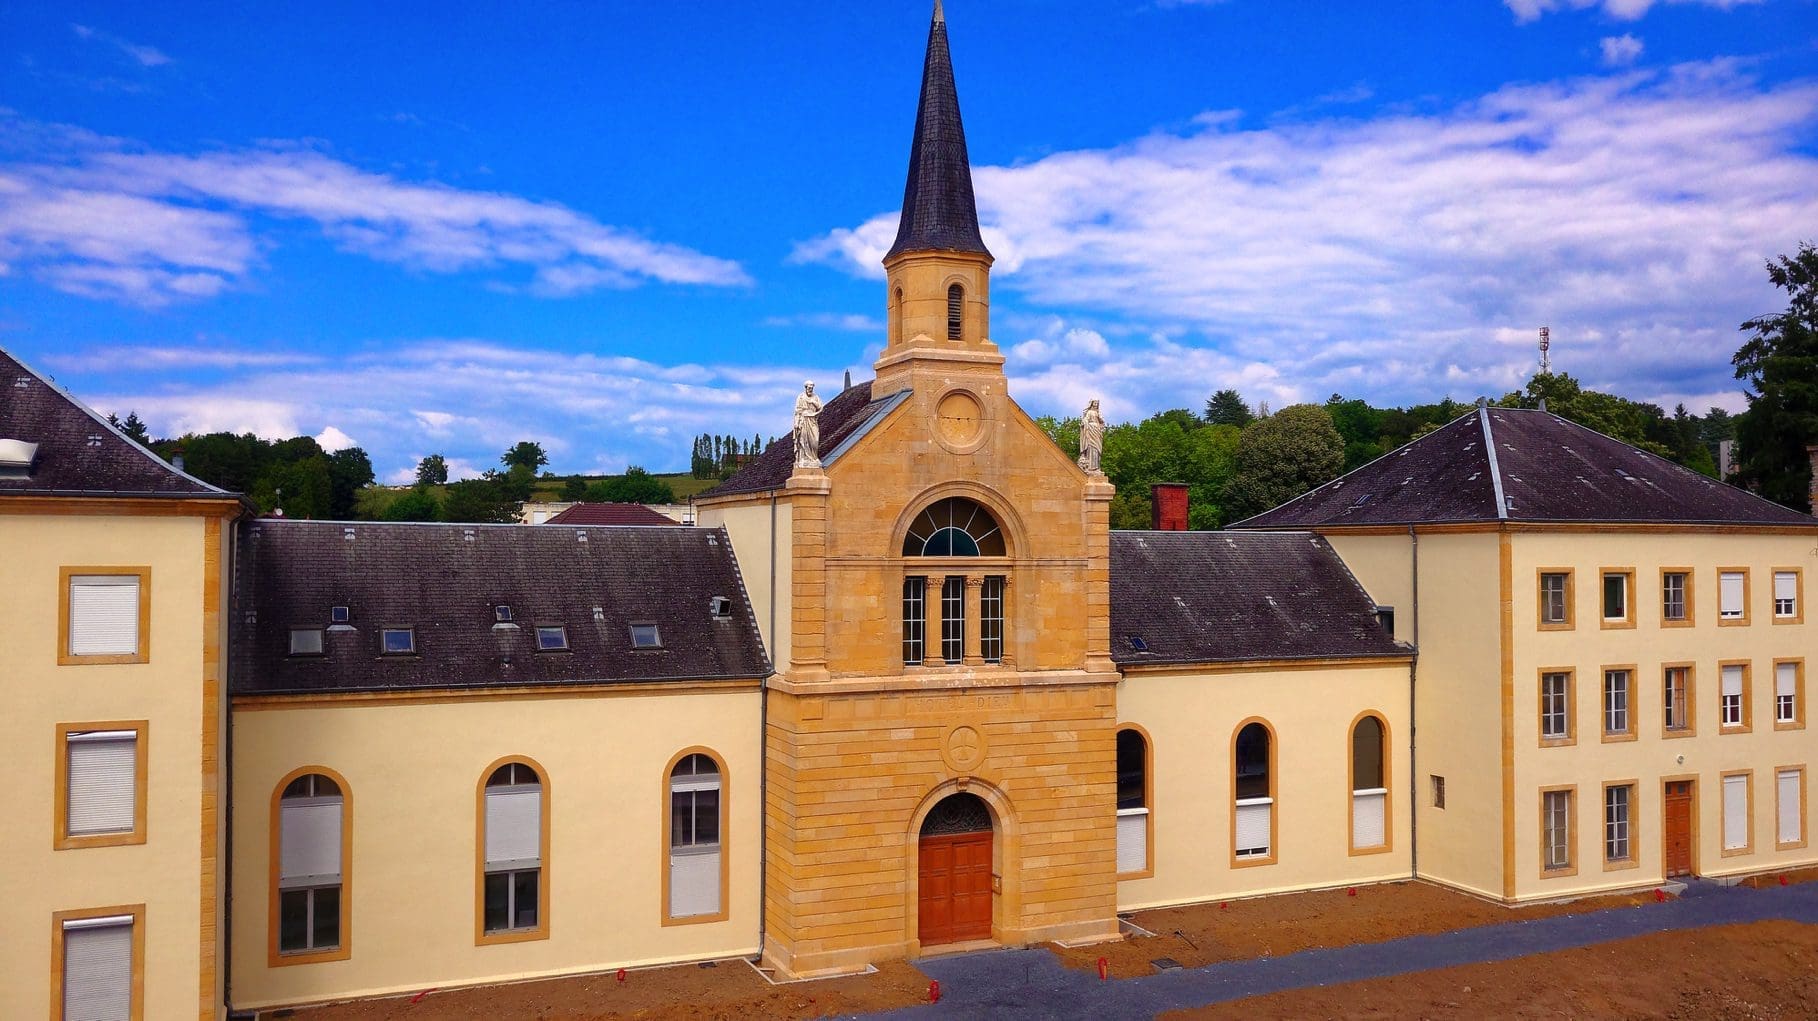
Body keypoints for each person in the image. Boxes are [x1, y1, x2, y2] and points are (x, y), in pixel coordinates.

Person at [794, 380, 824, 468]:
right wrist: (797, 422)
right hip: (803, 420)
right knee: (803, 440)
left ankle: (814, 458)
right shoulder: (801, 397)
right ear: (806, 388)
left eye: (812, 388)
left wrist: (813, 402)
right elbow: (797, 411)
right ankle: (803, 459)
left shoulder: (816, 397)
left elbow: (821, 407)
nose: (810, 389)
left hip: (813, 420)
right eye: (809, 388)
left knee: (815, 441)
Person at [1078, 399, 1105, 474]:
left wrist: (1100, 416)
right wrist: (1085, 422)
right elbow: (1085, 420)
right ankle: (1090, 467)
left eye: (1097, 403)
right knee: (1091, 447)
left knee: (1097, 448)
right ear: (1092, 403)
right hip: (1090, 430)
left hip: (1097, 431)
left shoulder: (1098, 412)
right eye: (1095, 403)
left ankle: (1096, 467)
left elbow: (1102, 422)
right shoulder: (1089, 412)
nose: (1096, 404)